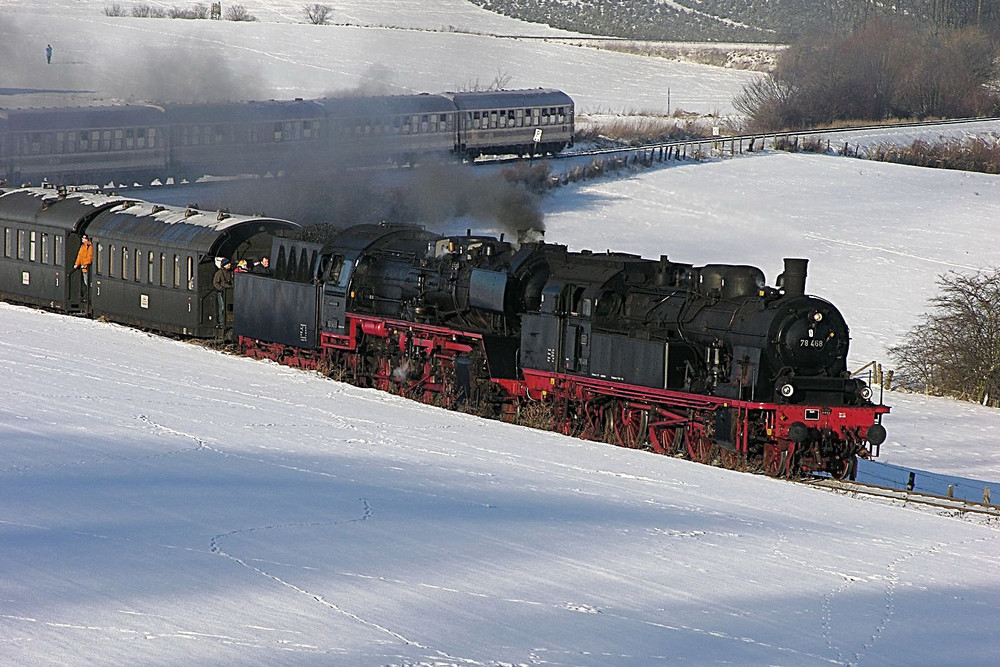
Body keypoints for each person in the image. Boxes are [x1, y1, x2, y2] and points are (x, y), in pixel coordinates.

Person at [213, 258, 234, 330]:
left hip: (230, 292)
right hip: (222, 292)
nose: (229, 265)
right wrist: (222, 288)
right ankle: (221, 322)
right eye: (228, 264)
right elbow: (215, 283)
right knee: (222, 307)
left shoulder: (231, 272)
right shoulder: (219, 273)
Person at [73, 234, 94, 302]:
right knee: (85, 283)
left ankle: (89, 297)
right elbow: (79, 256)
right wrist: (77, 264)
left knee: (88, 283)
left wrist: (85, 264)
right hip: (83, 269)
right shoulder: (83, 247)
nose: (82, 239)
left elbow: (90, 257)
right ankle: (87, 297)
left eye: (84, 238)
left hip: (87, 269)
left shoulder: (90, 247)